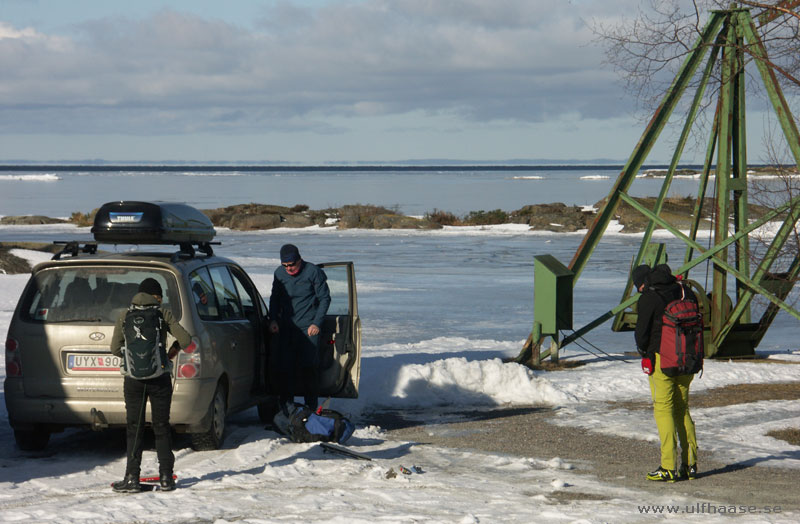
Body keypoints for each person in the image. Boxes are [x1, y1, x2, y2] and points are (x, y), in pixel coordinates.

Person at [110, 278, 192, 493]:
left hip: (133, 380)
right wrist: (170, 353)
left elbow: (114, 348)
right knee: (161, 427)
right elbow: (185, 339)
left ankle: (132, 478)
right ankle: (166, 477)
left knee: (134, 429)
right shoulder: (162, 314)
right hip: (160, 378)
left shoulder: (124, 315)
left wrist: (131, 358)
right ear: (157, 297)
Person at [632, 264, 699, 482]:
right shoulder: (685, 291)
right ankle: (689, 465)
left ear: (644, 282)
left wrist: (645, 353)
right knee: (682, 408)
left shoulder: (649, 297)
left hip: (662, 360)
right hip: (688, 359)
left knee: (663, 409)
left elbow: (641, 333)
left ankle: (668, 467)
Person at [269, 244, 331, 411]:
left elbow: (325, 298)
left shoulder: (313, 272)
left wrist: (316, 323)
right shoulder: (279, 274)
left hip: (308, 328)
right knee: (285, 368)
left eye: (292, 264)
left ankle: (310, 408)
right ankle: (287, 410)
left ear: (299, 260)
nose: (289, 268)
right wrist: (273, 319)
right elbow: (275, 298)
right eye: (285, 265)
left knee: (308, 368)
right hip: (287, 328)